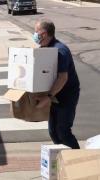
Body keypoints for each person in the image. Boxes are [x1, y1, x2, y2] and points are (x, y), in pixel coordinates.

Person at [33, 19, 80, 149]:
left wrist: (47, 97)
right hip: (54, 95)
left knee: (63, 131)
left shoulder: (60, 51)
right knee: (53, 131)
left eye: (36, 31)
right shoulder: (46, 48)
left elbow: (62, 78)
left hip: (66, 95)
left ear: (44, 33)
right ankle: (62, 158)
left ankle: (76, 159)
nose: (34, 34)